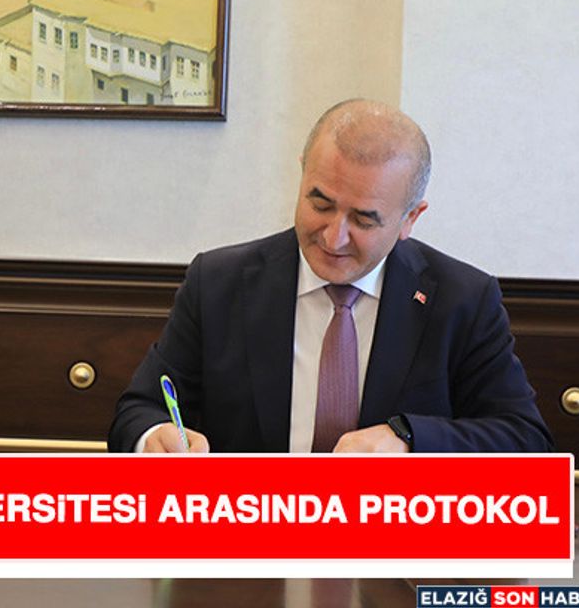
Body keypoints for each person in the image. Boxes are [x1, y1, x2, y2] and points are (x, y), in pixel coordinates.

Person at [109, 99, 552, 454]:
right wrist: (155, 438)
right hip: (250, 535)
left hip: (394, 537)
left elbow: (525, 440)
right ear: (302, 174)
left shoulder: (462, 299)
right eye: (320, 204)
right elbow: (140, 411)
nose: (333, 237)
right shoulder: (219, 283)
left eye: (363, 219)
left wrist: (408, 438)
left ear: (410, 219)